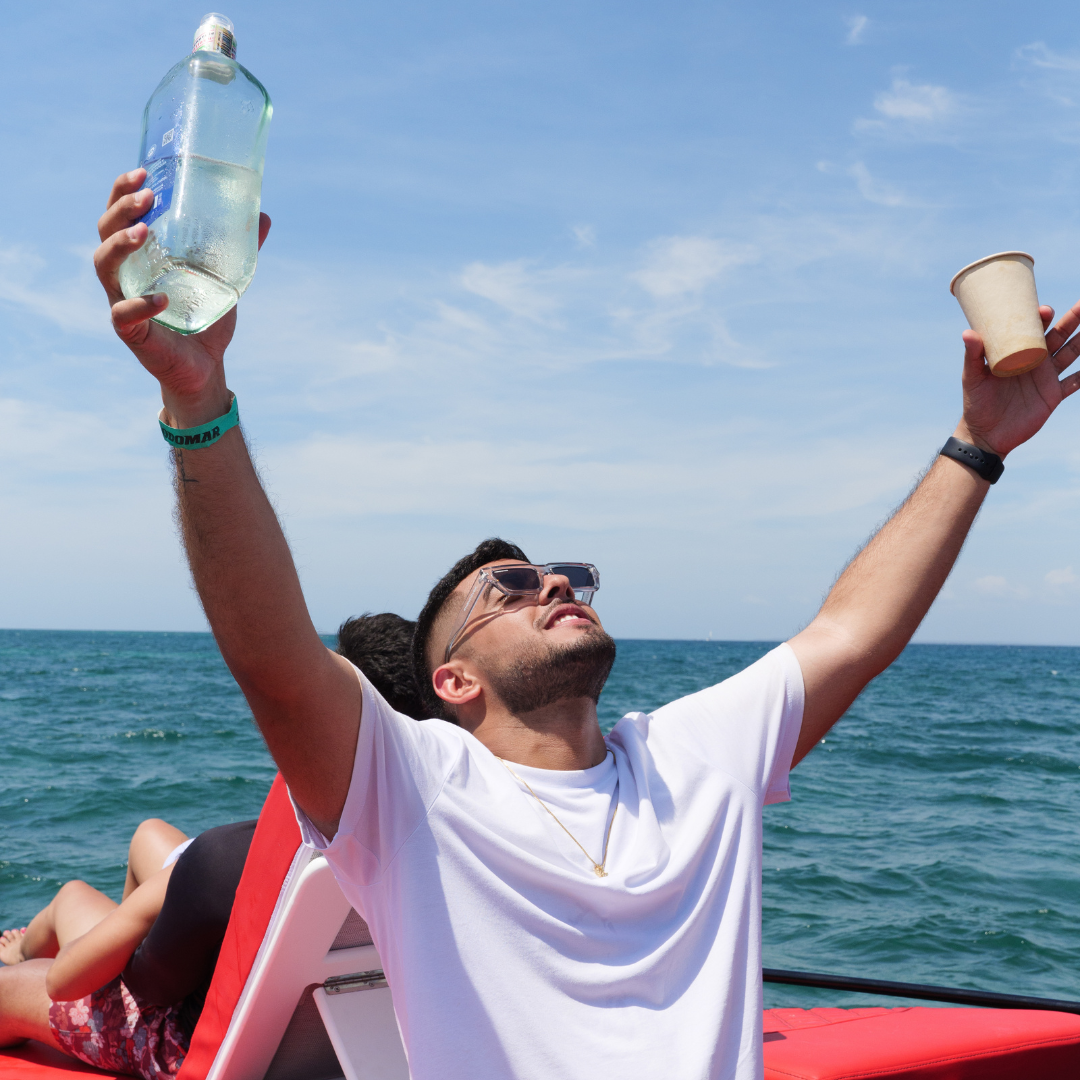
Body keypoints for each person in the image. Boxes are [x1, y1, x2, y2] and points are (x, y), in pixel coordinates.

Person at [90, 168, 1080, 1080]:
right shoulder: (412, 788)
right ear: (453, 683)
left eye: (566, 574)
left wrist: (979, 445)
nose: (555, 585)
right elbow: (274, 656)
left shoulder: (691, 759)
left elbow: (851, 633)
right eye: (511, 586)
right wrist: (197, 399)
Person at [0, 613, 423, 1075]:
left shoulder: (224, 860)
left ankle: (22, 957)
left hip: (192, 1040)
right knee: (149, 835)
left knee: (30, 960)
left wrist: (160, 895)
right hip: (324, 1034)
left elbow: (146, 987)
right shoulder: (443, 840)